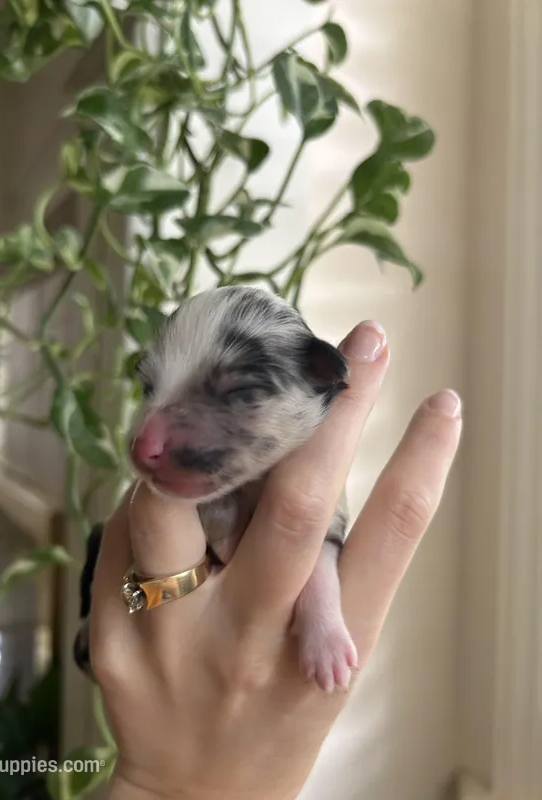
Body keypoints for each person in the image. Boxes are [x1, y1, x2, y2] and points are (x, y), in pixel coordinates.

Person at [89, 321, 462, 800]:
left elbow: (320, 552)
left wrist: (322, 618)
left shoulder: (307, 482)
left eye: (239, 392)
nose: (148, 439)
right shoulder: (164, 503)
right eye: (151, 388)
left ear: (318, 378)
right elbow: (144, 590)